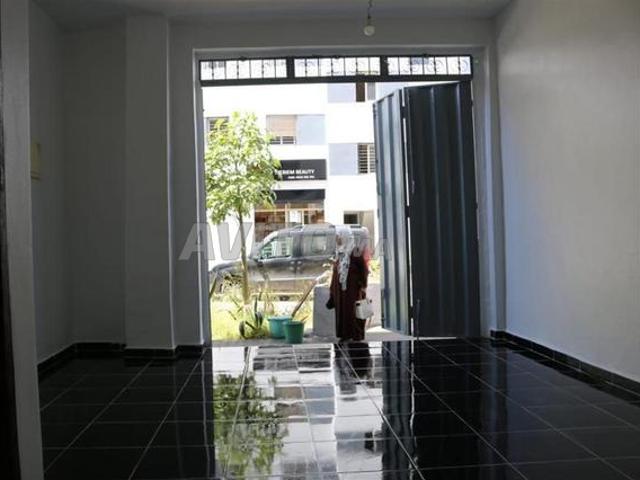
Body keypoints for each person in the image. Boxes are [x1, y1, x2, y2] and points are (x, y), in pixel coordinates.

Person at [326, 227, 370, 341]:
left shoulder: (355, 253)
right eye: (336, 237)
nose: (337, 239)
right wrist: (332, 291)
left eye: (338, 236)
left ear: (344, 237)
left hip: (352, 291)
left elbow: (364, 270)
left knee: (353, 313)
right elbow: (336, 272)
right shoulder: (340, 252)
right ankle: (344, 335)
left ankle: (356, 336)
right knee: (342, 313)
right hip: (340, 292)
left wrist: (362, 285)